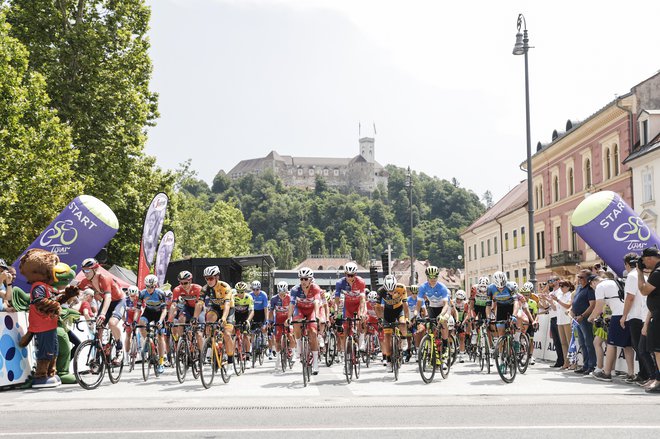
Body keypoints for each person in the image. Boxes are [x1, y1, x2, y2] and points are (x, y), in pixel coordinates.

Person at [77, 258, 125, 364]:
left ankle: (119, 348)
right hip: (106, 302)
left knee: (112, 323)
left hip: (118, 301)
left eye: (87, 270)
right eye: (83, 270)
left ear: (95, 269)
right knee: (98, 328)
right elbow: (75, 290)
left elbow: (108, 297)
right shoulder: (86, 281)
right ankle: (98, 356)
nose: (85, 273)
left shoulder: (104, 278)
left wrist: (103, 314)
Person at [589, 273, 634, 381]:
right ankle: (631, 373)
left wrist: (591, 318)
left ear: (594, 282)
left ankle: (607, 373)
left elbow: (599, 306)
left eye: (592, 286)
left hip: (618, 315)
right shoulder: (615, 282)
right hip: (629, 313)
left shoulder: (600, 286)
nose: (593, 288)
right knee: (627, 345)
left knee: (611, 344)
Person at [621, 253, 654, 384]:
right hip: (645, 314)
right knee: (643, 347)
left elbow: (630, 297)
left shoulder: (631, 276)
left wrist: (624, 315)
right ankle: (644, 374)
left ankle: (646, 374)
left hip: (636, 315)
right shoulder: (646, 274)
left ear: (627, 264)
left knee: (640, 348)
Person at [201, 265, 235, 377]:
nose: (208, 281)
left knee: (227, 334)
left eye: (211, 278)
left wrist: (224, 318)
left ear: (217, 277)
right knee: (208, 321)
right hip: (215, 309)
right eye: (207, 278)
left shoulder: (225, 287)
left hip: (228, 309)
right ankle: (210, 347)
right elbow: (199, 303)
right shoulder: (205, 288)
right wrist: (195, 318)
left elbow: (226, 305)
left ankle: (230, 362)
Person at [288, 267, 323, 375]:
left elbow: (317, 302)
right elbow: (292, 304)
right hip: (300, 310)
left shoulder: (316, 288)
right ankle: (299, 347)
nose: (303, 281)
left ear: (310, 279)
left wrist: (317, 315)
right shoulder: (295, 290)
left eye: (305, 279)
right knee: (296, 322)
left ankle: (315, 362)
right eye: (301, 279)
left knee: (313, 333)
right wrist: (289, 317)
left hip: (311, 310)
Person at [636, 246, 660, 393]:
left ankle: (659, 380)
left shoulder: (657, 273)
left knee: (658, 350)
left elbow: (644, 290)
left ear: (650, 258)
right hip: (656, 313)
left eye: (644, 261)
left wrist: (640, 274)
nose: (643, 264)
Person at [376, 274, 409, 373]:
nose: (391, 292)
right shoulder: (380, 291)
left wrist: (407, 318)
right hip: (388, 312)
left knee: (402, 323)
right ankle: (389, 361)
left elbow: (405, 305)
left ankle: (404, 339)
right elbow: (377, 307)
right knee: (387, 337)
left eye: (392, 290)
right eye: (388, 291)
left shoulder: (401, 288)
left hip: (399, 310)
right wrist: (380, 319)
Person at [415, 266, 451, 356]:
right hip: (432, 307)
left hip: (444, 308)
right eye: (431, 277)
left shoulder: (442, 287)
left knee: (443, 321)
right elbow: (418, 304)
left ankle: (446, 345)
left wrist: (441, 315)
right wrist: (416, 314)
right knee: (430, 327)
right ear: (427, 277)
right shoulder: (423, 287)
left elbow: (446, 304)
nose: (433, 279)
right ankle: (432, 350)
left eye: (435, 277)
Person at [135, 274, 168, 374]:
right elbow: (138, 309)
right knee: (141, 323)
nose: (149, 289)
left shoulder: (160, 293)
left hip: (159, 313)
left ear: (155, 286)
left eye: (152, 286)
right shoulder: (142, 293)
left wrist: (160, 321)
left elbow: (164, 310)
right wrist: (134, 321)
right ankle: (148, 341)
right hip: (148, 312)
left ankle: (161, 362)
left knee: (160, 336)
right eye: (147, 286)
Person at [334, 262, 367, 353]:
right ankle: (345, 352)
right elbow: (337, 299)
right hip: (347, 305)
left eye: (352, 275)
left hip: (358, 304)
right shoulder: (340, 283)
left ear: (355, 274)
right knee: (345, 328)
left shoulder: (360, 282)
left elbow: (363, 299)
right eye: (348, 275)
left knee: (362, 319)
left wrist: (362, 311)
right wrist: (337, 312)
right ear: (345, 274)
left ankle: (361, 340)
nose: (350, 278)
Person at [569, 270, 597, 375]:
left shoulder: (589, 289)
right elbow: (574, 302)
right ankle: (585, 365)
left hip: (585, 319)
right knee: (582, 343)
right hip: (577, 318)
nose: (579, 279)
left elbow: (592, 305)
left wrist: (582, 316)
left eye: (582, 277)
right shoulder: (579, 288)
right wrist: (572, 310)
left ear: (588, 278)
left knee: (589, 342)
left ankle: (592, 365)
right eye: (578, 277)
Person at [269, 281, 293, 370]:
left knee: (290, 335)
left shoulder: (290, 298)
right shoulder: (274, 299)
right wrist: (270, 321)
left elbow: (294, 310)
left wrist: (292, 320)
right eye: (280, 291)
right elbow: (271, 311)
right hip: (278, 319)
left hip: (288, 319)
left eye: (283, 291)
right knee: (277, 339)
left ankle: (292, 351)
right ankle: (278, 357)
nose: (282, 293)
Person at [552, 280, 574, 370]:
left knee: (569, 342)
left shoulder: (570, 294)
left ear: (568, 287)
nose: (561, 288)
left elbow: (568, 306)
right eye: (560, 286)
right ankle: (566, 362)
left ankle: (573, 362)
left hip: (567, 320)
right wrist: (550, 301)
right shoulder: (560, 295)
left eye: (563, 286)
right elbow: (555, 308)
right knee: (563, 343)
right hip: (560, 320)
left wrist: (557, 300)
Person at [249, 280, 270, 359]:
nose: (255, 291)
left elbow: (266, 308)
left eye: (257, 289)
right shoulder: (250, 295)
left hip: (261, 312)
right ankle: (252, 346)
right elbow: (249, 309)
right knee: (252, 331)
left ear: (260, 289)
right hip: (253, 313)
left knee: (263, 328)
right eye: (253, 289)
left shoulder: (263, 295)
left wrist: (266, 320)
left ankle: (265, 340)